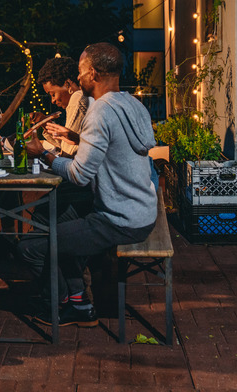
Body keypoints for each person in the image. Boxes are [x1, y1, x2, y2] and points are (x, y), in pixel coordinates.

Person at [19, 42, 158, 327]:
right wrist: (74, 136)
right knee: (59, 221)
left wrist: (42, 154)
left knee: (32, 245)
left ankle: (60, 305)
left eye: (81, 72)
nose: (77, 77)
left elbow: (80, 174)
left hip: (118, 218)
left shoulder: (99, 112)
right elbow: (114, 147)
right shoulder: (132, 104)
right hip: (141, 210)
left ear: (92, 73)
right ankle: (79, 301)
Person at [36, 56, 91, 158]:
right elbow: (69, 142)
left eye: (53, 94)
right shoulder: (87, 97)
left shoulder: (78, 97)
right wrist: (44, 122)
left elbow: (67, 152)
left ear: (67, 83)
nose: (53, 101)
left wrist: (41, 152)